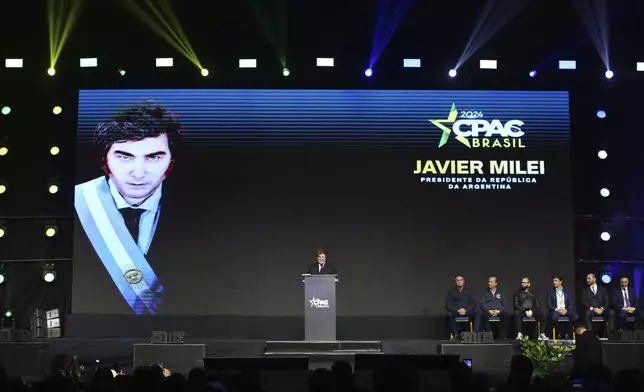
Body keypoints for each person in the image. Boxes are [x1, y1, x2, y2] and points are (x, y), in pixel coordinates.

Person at [75, 102, 182, 315]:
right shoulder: (79, 202)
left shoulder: (200, 213)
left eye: (153, 157)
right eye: (125, 157)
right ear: (104, 160)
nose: (139, 173)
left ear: (171, 162)